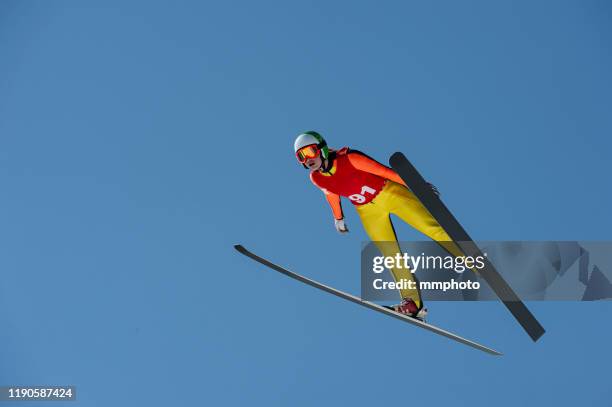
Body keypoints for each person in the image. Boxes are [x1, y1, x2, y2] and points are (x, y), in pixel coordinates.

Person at [294, 130, 455, 320]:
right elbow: (331, 193)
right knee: (391, 255)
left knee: (431, 228)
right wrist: (338, 217)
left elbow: (385, 171)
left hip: (389, 193)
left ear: (321, 148)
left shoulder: (350, 158)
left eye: (310, 151)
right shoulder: (316, 178)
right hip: (367, 211)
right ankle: (412, 304)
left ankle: (472, 259)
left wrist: (417, 186)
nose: (307, 159)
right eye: (301, 156)